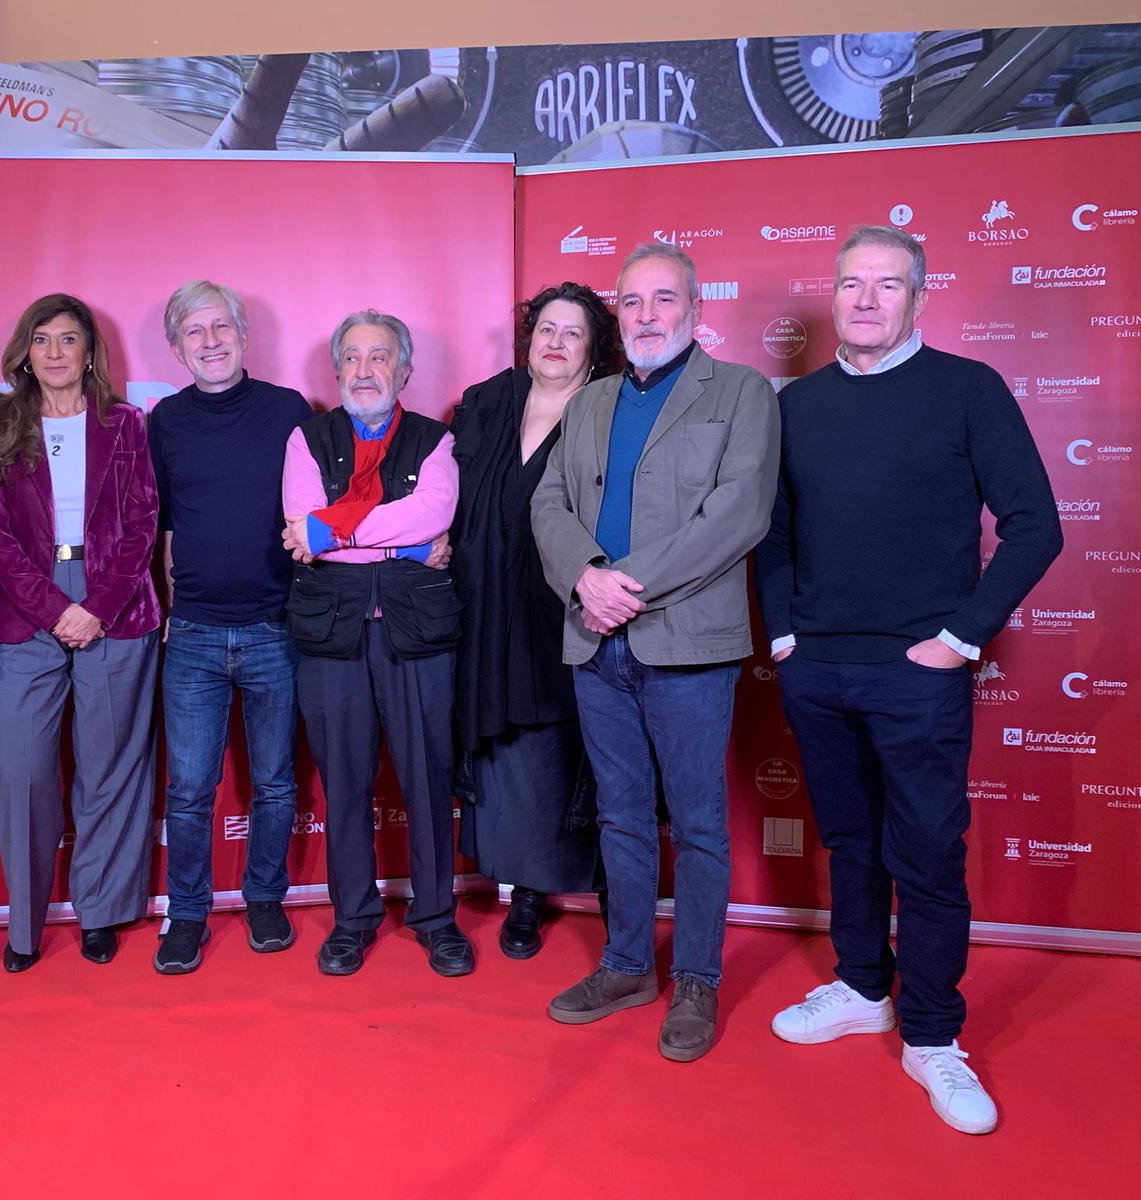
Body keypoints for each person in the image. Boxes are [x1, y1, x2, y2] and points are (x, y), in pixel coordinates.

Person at [755, 225, 1062, 1134]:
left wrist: (960, 639)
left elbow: (1036, 524)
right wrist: (783, 641)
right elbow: (772, 536)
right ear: (834, 294)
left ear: (919, 300)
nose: (865, 299)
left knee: (925, 854)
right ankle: (862, 987)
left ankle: (933, 1036)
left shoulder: (969, 390)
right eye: (852, 283)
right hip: (818, 668)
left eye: (888, 285)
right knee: (851, 842)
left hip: (920, 672)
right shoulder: (796, 406)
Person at [531, 242, 780, 1062]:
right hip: (596, 641)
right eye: (631, 303)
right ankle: (629, 964)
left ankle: (698, 979)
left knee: (701, 824)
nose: (645, 317)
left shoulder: (740, 392)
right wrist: (585, 579)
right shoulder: (593, 398)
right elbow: (550, 502)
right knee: (620, 815)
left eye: (662, 300)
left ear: (695, 309)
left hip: (686, 647)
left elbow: (738, 513)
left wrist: (623, 584)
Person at [0, 294, 161, 973]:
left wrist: (96, 606)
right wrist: (56, 609)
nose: (55, 351)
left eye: (69, 339)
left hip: (113, 603)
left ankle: (102, 912)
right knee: (23, 773)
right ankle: (24, 925)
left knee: (110, 769)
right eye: (43, 339)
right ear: (26, 351)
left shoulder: (125, 424)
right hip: (28, 611)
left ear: (89, 352)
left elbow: (142, 525)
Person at [282, 309, 471, 977]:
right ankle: (353, 919)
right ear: (336, 371)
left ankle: (437, 919)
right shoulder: (306, 439)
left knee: (427, 780)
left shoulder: (436, 441)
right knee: (346, 784)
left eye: (380, 357)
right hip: (332, 638)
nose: (366, 370)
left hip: (417, 634)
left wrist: (332, 535)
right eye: (354, 358)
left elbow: (435, 513)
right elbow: (300, 521)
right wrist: (408, 546)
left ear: (405, 370)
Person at [451, 282, 620, 958]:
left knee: (565, 754)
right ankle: (523, 892)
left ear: (593, 347)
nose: (554, 342)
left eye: (571, 332)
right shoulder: (488, 401)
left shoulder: (609, 410)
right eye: (545, 328)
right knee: (507, 757)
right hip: (485, 605)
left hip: (569, 609)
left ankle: (594, 896)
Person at [148, 280, 312, 974]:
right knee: (189, 789)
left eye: (221, 328)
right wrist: (162, 611)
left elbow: (314, 513)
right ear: (176, 345)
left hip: (276, 629)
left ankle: (266, 898)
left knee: (275, 783)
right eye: (195, 332)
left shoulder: (288, 411)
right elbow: (157, 526)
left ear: (243, 335)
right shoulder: (164, 420)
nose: (210, 342)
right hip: (191, 634)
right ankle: (186, 916)